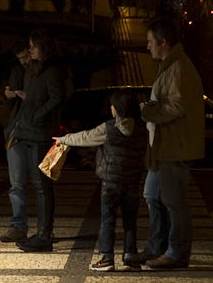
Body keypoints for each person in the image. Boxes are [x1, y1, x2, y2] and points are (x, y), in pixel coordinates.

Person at [135, 18, 205, 270]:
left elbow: (175, 106)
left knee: (174, 201)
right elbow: (167, 101)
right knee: (152, 195)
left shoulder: (179, 68)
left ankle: (176, 252)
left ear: (163, 42)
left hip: (175, 146)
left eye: (150, 42)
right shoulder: (170, 65)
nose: (147, 47)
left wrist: (148, 112)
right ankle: (158, 246)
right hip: (164, 146)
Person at [52, 90, 148, 271]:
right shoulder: (142, 129)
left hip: (111, 181)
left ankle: (106, 258)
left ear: (117, 108)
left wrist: (64, 139)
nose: (110, 108)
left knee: (108, 220)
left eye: (112, 105)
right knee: (130, 220)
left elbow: (86, 137)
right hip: (133, 180)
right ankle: (131, 257)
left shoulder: (109, 127)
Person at [7, 29, 68, 253]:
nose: (30, 49)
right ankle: (42, 233)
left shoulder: (52, 70)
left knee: (43, 186)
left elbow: (57, 98)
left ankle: (44, 235)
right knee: (39, 185)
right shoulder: (35, 69)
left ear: (43, 48)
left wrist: (38, 114)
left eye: (33, 46)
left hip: (40, 134)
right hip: (30, 132)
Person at [0, 37, 32, 243]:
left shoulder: (45, 71)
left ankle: (47, 226)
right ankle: (18, 224)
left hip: (36, 131)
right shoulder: (17, 71)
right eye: (20, 58)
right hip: (17, 132)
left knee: (42, 183)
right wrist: (10, 95)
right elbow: (9, 103)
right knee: (17, 182)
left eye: (26, 56)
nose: (24, 61)